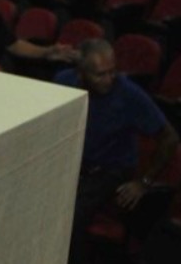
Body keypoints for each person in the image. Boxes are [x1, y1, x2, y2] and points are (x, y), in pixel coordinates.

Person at [53, 39, 179, 264]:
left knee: (72, 213)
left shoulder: (129, 94)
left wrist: (144, 181)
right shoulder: (64, 81)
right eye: (100, 74)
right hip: (76, 161)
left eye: (112, 72)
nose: (109, 79)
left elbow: (170, 138)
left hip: (111, 169)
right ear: (81, 73)